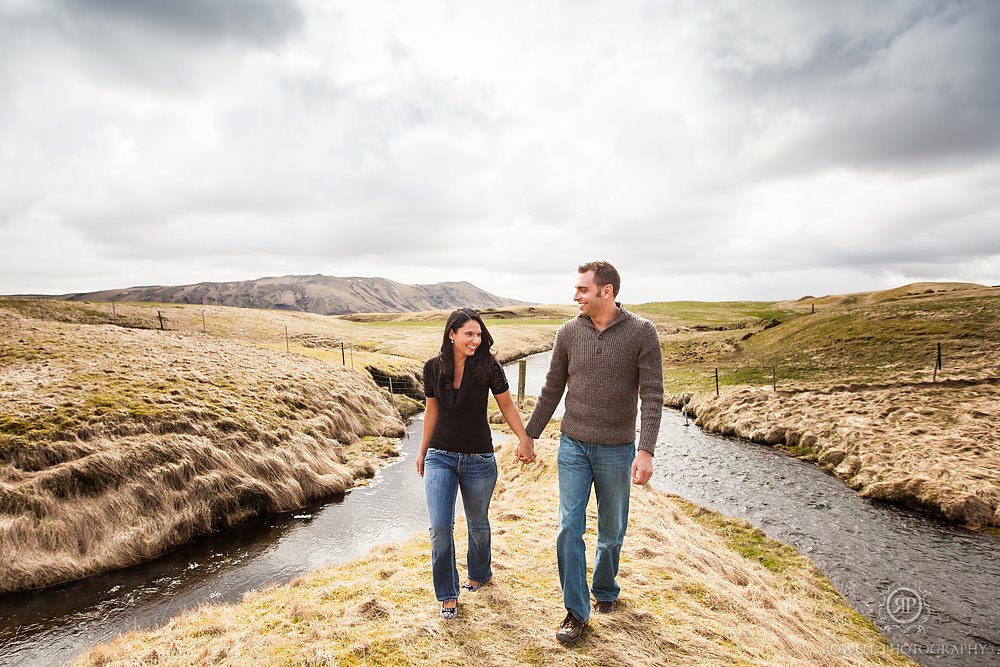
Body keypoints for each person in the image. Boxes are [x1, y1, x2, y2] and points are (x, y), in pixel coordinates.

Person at [525, 261, 663, 643]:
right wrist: (529, 435)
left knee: (612, 530)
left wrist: (646, 449)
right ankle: (576, 611)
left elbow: (652, 395)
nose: (575, 296)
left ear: (607, 291)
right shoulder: (568, 332)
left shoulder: (642, 333)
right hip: (573, 446)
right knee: (569, 526)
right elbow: (552, 388)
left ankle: (604, 588)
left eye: (582, 290)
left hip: (618, 450)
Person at [417, 307, 536, 619]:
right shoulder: (432, 368)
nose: (475, 339)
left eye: (479, 334)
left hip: (479, 457)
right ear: (451, 334)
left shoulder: (488, 367)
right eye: (469, 333)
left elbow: (507, 405)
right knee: (441, 527)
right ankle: (447, 595)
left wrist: (524, 438)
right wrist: (421, 452)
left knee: (478, 524)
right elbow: (431, 412)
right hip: (440, 455)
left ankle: (479, 574)